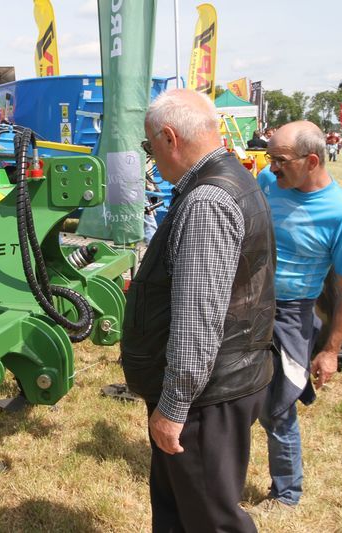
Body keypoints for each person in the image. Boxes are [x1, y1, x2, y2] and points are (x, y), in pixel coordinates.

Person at [122, 88, 276, 532]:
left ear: (170, 138)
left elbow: (198, 321)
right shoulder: (235, 176)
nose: (152, 158)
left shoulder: (206, 201)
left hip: (206, 396)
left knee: (210, 519)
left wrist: (173, 407)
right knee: (179, 513)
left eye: (150, 147)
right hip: (223, 381)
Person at [252, 121, 342, 514]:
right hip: (248, 304)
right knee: (228, 396)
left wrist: (331, 350)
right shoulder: (268, 182)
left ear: (312, 160)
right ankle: (219, 476)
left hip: (290, 314)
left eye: (280, 159)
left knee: (278, 407)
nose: (271, 167)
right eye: (271, 157)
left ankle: (286, 493)